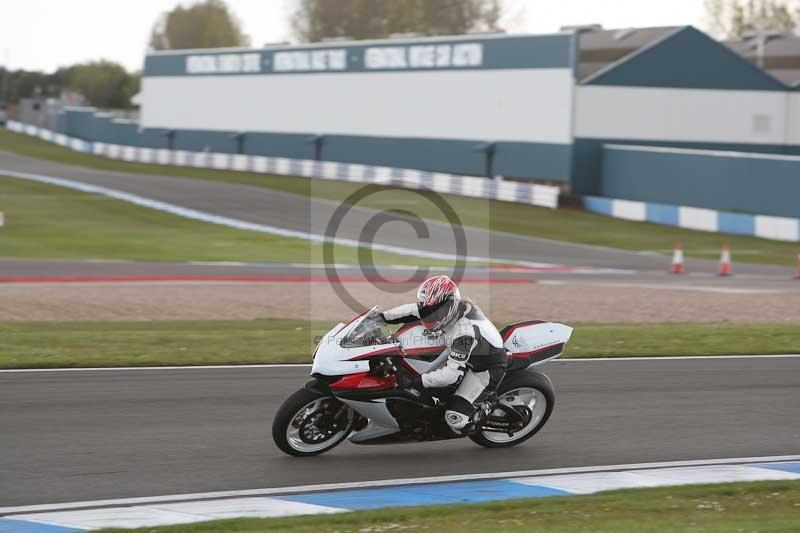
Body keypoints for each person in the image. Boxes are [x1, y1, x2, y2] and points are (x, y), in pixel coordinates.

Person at [381, 275, 507, 434]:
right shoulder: (438, 307)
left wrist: (415, 381)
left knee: (456, 419)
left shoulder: (464, 334)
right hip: (461, 350)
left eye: (434, 312)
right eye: (426, 310)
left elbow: (451, 375)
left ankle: (488, 404)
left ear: (450, 306)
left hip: (484, 368)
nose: (428, 316)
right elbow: (410, 310)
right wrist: (380, 317)